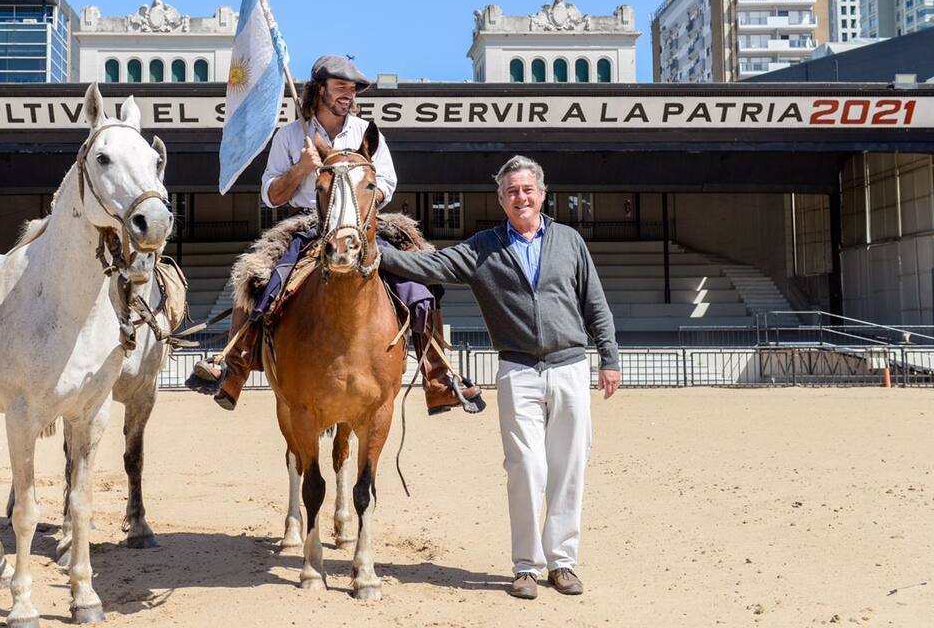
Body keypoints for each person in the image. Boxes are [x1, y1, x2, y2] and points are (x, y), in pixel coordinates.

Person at [377, 155, 622, 600]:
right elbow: (430, 267)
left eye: (528, 189)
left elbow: (595, 303)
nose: (521, 197)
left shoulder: (569, 240)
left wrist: (610, 357)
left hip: (569, 367)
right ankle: (526, 566)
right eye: (512, 191)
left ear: (542, 194)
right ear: (501, 199)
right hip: (518, 370)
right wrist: (377, 254)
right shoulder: (482, 247)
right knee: (525, 467)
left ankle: (563, 563)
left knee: (569, 468)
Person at [186, 54, 484, 415]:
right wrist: (302, 169)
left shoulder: (365, 132)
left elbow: (386, 184)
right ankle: (231, 370)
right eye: (340, 86)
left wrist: (350, 182)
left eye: (352, 89)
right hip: (306, 225)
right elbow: (271, 195)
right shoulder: (290, 135)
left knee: (420, 284)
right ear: (319, 89)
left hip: (360, 222)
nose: (348, 94)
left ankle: (439, 378)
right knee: (256, 278)